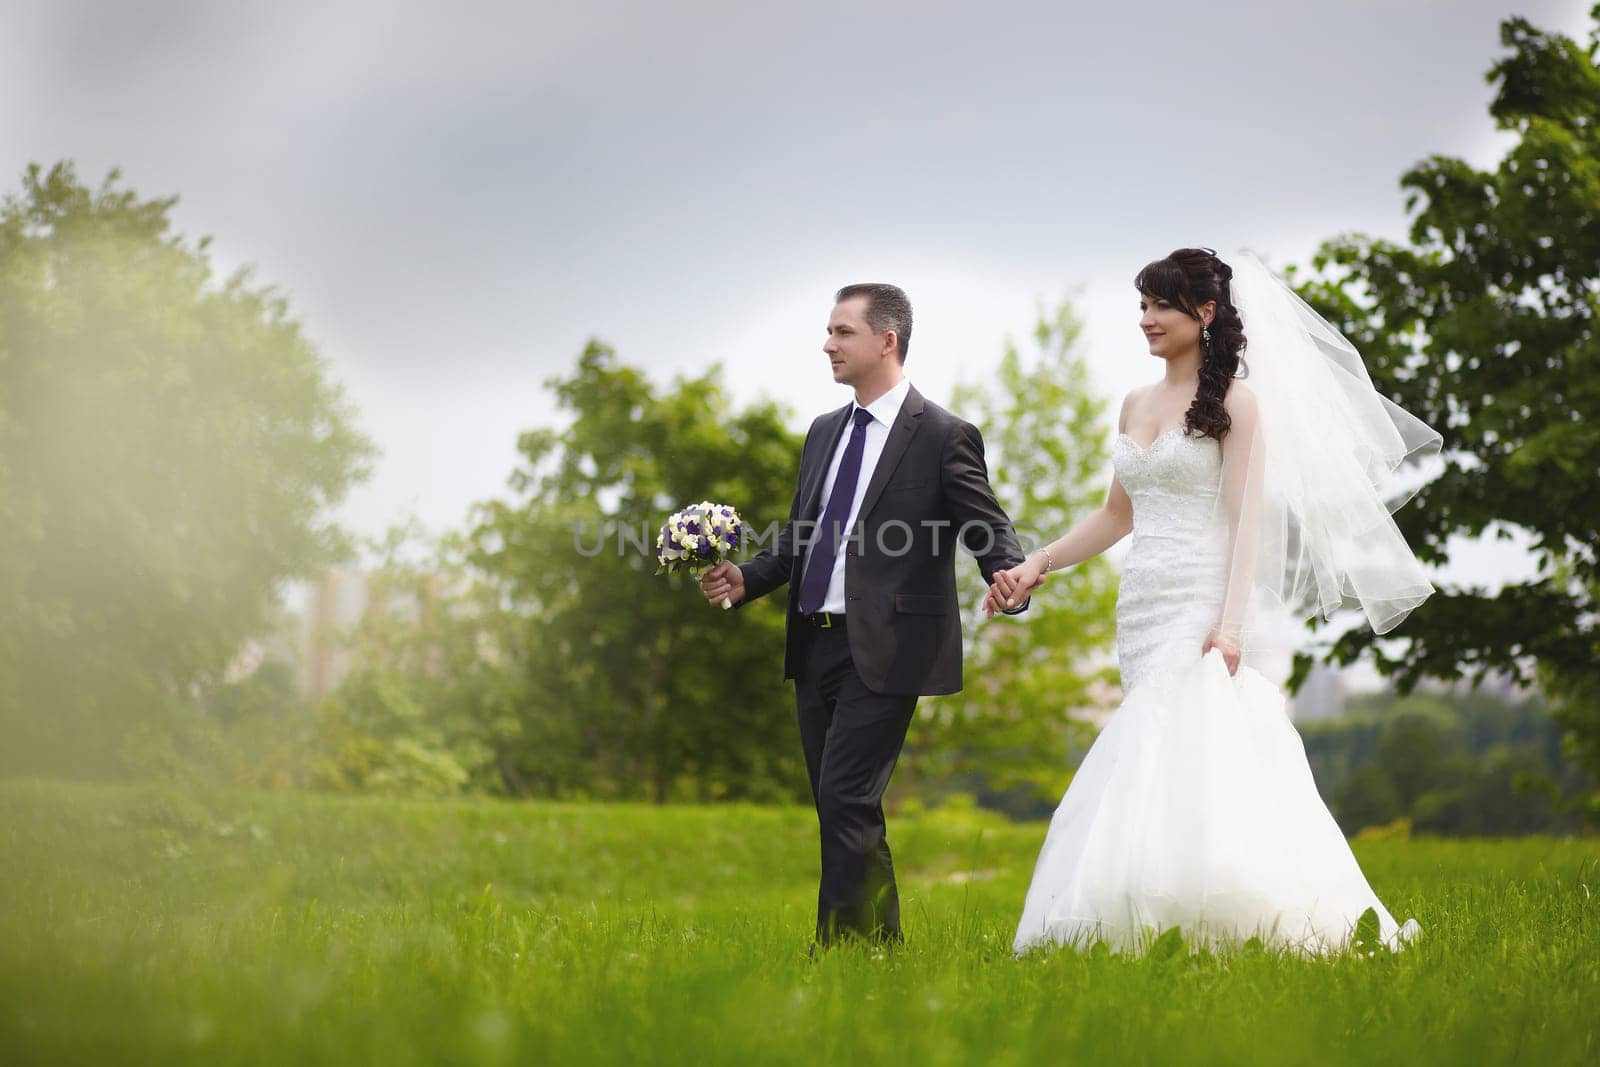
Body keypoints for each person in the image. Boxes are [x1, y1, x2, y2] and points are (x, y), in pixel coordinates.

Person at [993, 248, 1437, 954]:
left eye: (1161, 306)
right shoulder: (1135, 403)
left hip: (1201, 600)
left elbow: (1245, 523)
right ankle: (1159, 917)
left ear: (1204, 313)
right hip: (1140, 601)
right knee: (1162, 748)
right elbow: (1118, 514)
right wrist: (1038, 561)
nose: (1147, 320)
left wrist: (1232, 627)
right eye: (1141, 306)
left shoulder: (1237, 404)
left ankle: (1216, 920)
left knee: (1169, 741)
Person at [698, 282, 1029, 948]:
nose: (828, 343)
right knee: (843, 806)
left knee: (846, 797)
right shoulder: (823, 432)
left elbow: (986, 524)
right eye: (828, 330)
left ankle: (834, 954)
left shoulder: (942, 435)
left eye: (842, 331)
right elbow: (800, 535)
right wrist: (747, 578)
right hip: (813, 643)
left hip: (890, 648)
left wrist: (1008, 575)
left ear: (887, 340)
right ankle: (882, 950)